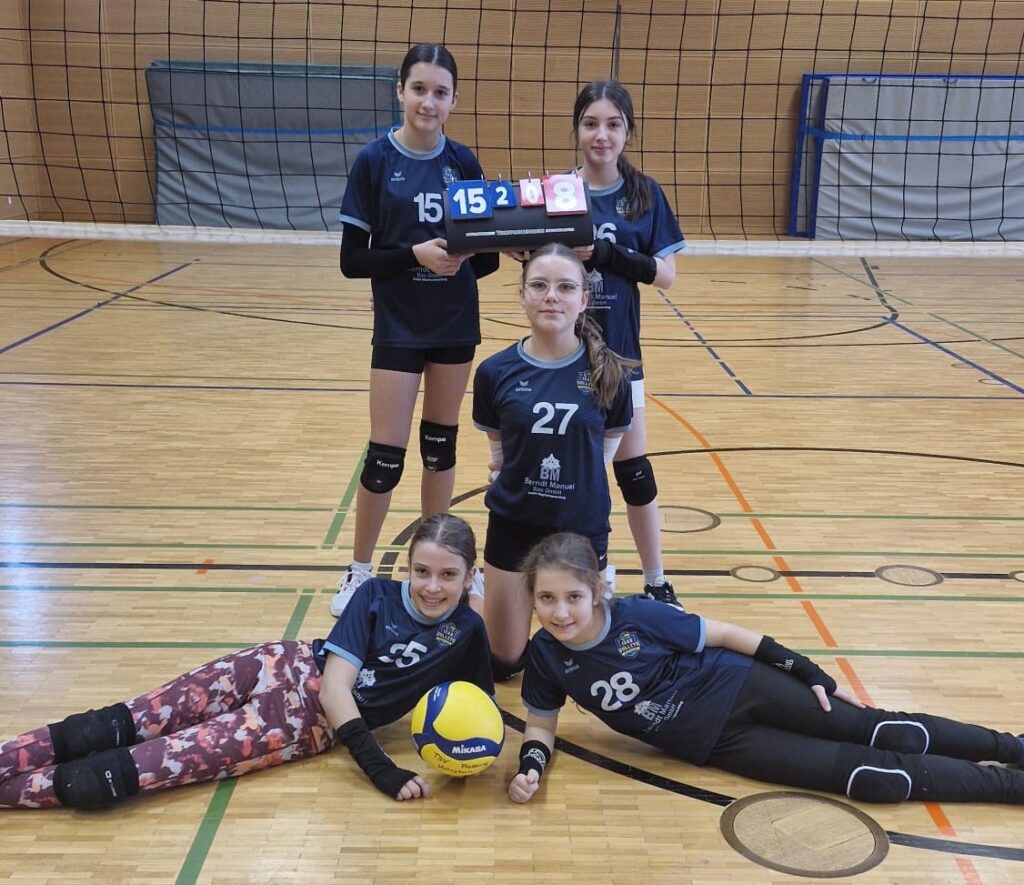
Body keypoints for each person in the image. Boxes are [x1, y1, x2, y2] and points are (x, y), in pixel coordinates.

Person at [0, 515, 493, 810]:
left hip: (299, 724)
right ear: (407, 567)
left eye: (448, 575)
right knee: (113, 724)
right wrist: (380, 769)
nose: (432, 586)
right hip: (279, 662)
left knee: (128, 771)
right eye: (421, 571)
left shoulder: (469, 632)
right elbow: (335, 687)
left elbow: (483, 707)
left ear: (471, 575)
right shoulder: (375, 595)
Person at [507, 532, 1024, 806]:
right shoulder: (547, 656)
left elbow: (727, 634)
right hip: (719, 743)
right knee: (873, 778)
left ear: (597, 591)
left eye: (573, 597)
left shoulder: (637, 615)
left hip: (741, 684)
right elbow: (541, 725)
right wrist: (531, 767)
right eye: (546, 598)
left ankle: (1012, 748)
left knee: (888, 732)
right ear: (532, 597)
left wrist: (806, 670)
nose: (560, 612)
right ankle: (1009, 789)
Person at [331, 43, 499, 616]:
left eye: (441, 92)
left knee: (439, 446)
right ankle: (359, 571)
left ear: (454, 100)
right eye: (420, 89)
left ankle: (438, 566)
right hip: (399, 327)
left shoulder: (464, 163)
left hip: (454, 324)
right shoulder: (375, 161)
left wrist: (470, 254)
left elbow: (486, 259)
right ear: (400, 90)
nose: (429, 101)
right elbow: (352, 260)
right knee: (385, 454)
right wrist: (414, 256)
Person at [473, 243, 636, 680]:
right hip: (514, 522)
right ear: (522, 295)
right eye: (539, 285)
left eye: (565, 287)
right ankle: (480, 589)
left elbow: (605, 452)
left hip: (579, 524)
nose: (551, 296)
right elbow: (497, 445)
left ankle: (594, 581)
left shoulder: (610, 373)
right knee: (504, 662)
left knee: (581, 657)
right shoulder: (494, 371)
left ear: (584, 299)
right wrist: (503, 470)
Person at [572, 80, 687, 605]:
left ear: (627, 131)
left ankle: (657, 580)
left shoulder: (645, 195)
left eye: (613, 124)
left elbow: (667, 275)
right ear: (577, 130)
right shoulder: (560, 192)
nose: (602, 135)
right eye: (591, 124)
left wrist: (606, 254)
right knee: (577, 473)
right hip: (565, 354)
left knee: (634, 472)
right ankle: (590, 566)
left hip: (620, 354)